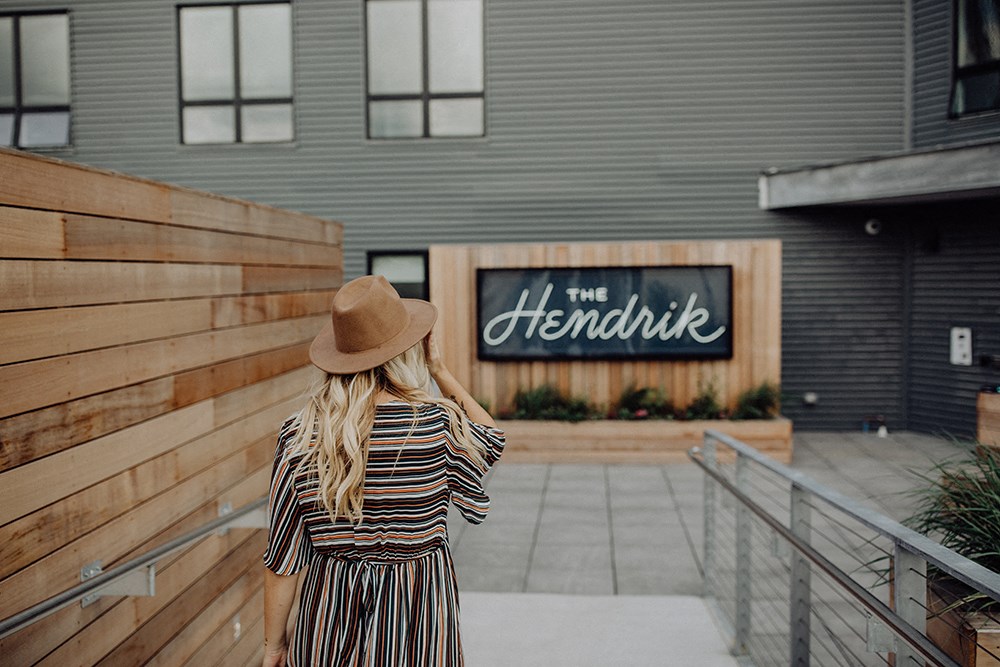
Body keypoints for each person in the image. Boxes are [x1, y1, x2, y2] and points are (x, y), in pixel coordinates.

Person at [262, 275, 505, 667]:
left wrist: (274, 646)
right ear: (410, 350)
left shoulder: (302, 433)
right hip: (419, 619)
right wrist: (440, 371)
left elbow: (283, 559)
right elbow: (491, 439)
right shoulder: (435, 426)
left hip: (328, 618)